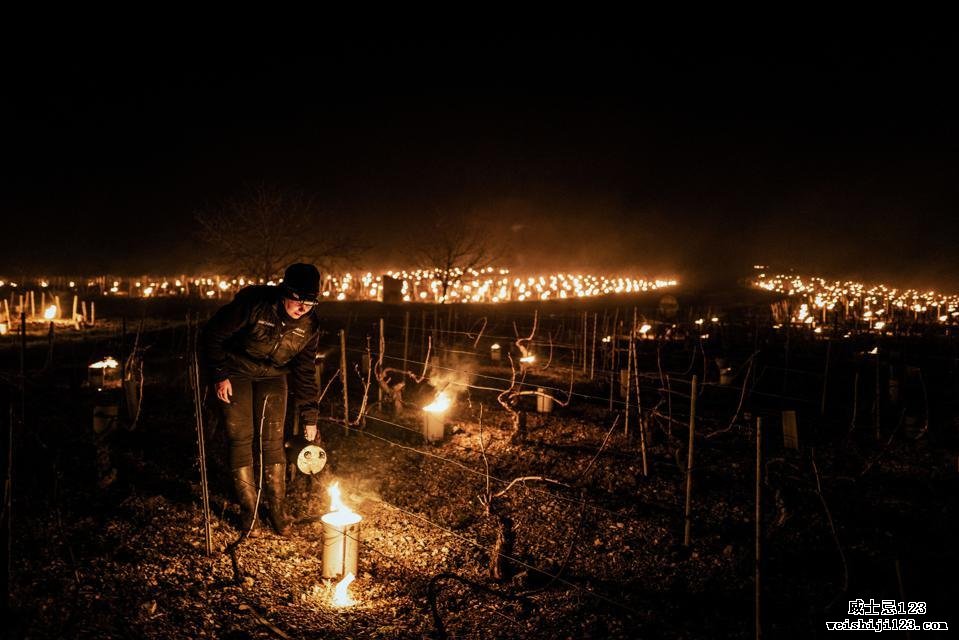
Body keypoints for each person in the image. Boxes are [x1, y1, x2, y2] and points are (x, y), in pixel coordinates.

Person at [201, 263, 322, 536]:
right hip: (236, 371)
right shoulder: (254, 305)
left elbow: (304, 371)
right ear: (284, 292)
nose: (302, 307)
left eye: (310, 302)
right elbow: (213, 335)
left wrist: (310, 417)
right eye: (297, 299)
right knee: (241, 435)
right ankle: (249, 512)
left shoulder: (310, 325)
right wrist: (220, 374)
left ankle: (277, 510)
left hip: (273, 376)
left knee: (272, 439)